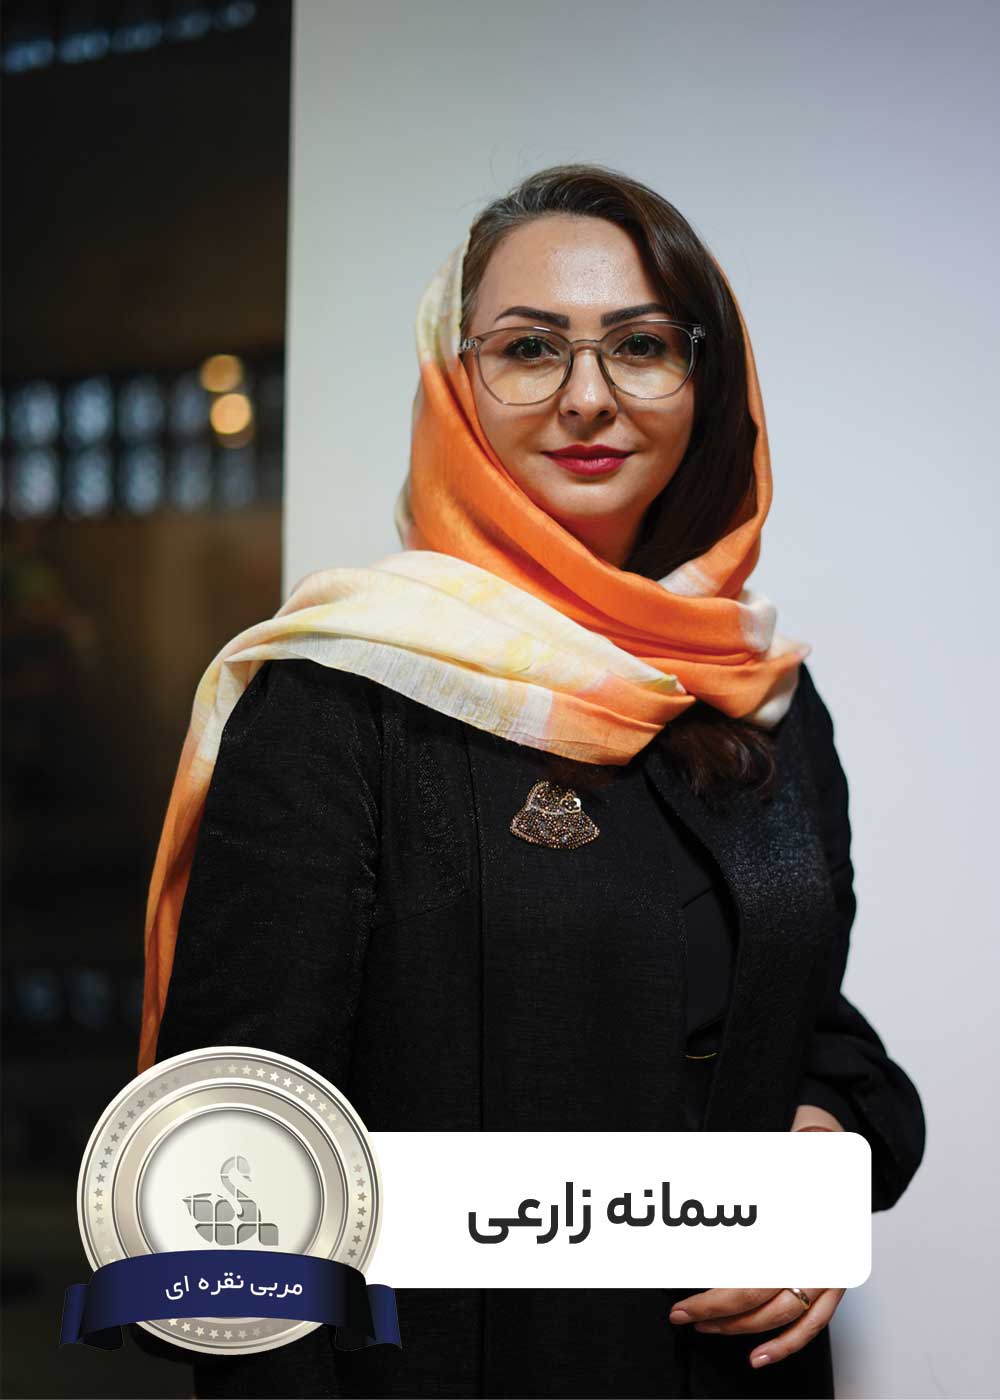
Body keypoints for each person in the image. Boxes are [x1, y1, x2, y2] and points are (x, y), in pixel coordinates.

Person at [131, 164, 925, 1398]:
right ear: (456, 384)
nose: (587, 397)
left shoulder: (752, 693)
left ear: (705, 381)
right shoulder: (343, 696)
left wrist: (824, 1149)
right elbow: (233, 1148)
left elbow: (807, 1020)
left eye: (640, 345)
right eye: (528, 348)